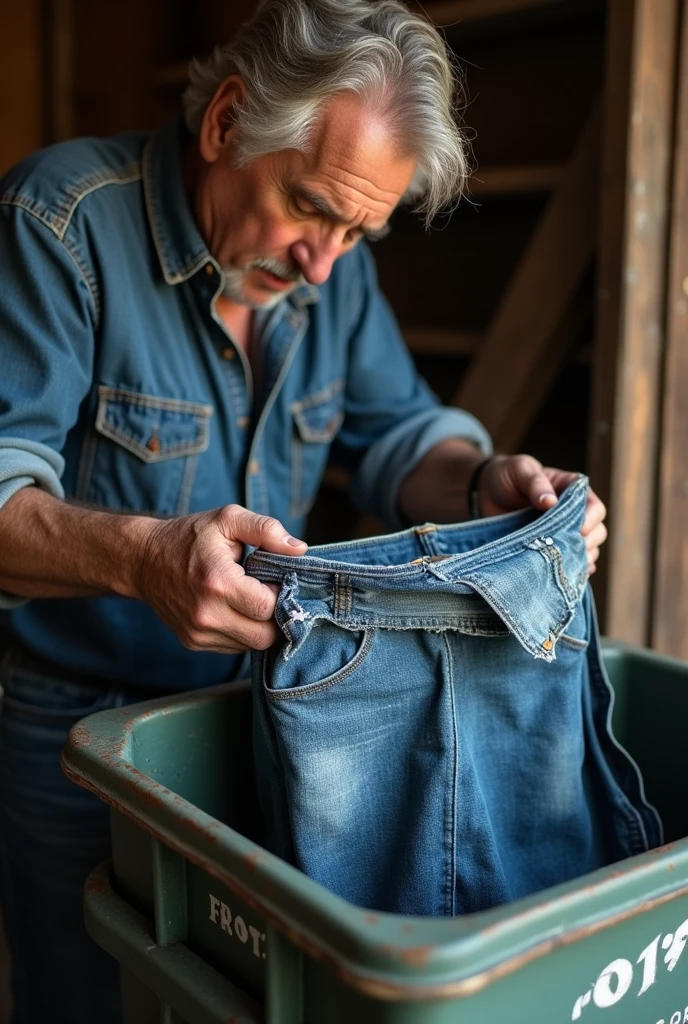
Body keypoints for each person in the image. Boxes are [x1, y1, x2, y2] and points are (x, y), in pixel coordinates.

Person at [0, 0, 607, 1020]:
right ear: (226, 122)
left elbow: (400, 437)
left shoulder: (334, 273)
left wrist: (480, 475)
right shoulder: (57, 222)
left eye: (359, 230)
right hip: (76, 730)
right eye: (311, 207)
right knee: (88, 996)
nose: (325, 262)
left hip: (264, 713)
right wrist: (145, 556)